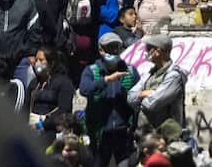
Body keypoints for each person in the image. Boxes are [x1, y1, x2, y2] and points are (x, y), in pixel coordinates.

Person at [80, 31, 140, 167]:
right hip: (100, 133)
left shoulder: (130, 71)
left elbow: (138, 96)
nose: (113, 51)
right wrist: (106, 80)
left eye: (116, 48)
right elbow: (84, 89)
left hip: (123, 132)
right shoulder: (92, 70)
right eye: (109, 48)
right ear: (101, 50)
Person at [128, 33, 188, 141]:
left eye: (149, 48)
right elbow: (130, 97)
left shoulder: (174, 76)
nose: (146, 52)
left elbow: (151, 104)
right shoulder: (150, 73)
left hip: (165, 138)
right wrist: (144, 93)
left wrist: (140, 98)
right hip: (146, 136)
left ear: (158, 51)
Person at [26, 46, 75, 146]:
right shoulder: (34, 83)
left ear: (51, 63)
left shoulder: (63, 83)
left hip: (52, 132)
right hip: (31, 129)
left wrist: (42, 124)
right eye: (36, 60)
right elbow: (25, 106)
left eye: (41, 60)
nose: (37, 63)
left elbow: (63, 111)